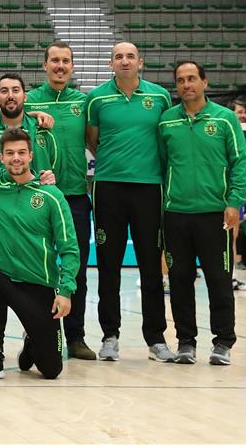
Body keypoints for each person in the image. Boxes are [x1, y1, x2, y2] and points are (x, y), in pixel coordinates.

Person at [0, 128, 79, 380]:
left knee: (51, 370)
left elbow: (69, 248)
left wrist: (65, 291)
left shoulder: (52, 195)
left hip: (37, 283)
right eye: (9, 153)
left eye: (21, 152)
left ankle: (32, 344)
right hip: (1, 275)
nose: (16, 158)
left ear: (30, 156)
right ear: (1, 158)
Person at [85, 41, 174, 362]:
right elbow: (92, 140)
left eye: (130, 56)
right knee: (108, 266)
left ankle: (156, 339)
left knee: (150, 265)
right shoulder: (97, 98)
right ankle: (110, 336)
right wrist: (115, 161)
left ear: (140, 62)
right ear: (111, 63)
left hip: (149, 188)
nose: (124, 61)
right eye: (118, 57)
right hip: (108, 187)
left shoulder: (160, 97)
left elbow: (166, 139)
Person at [156, 61, 246, 365]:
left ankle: (223, 342)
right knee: (180, 281)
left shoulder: (225, 119)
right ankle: (186, 342)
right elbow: (162, 165)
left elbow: (239, 161)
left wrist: (233, 202)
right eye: (181, 80)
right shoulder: (166, 121)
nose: (186, 85)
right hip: (176, 214)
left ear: (204, 82)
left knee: (219, 281)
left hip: (214, 215)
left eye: (192, 78)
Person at [25, 42, 95, 360]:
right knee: (37, 270)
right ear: (45, 65)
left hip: (75, 197)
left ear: (72, 67)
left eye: (66, 61)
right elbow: (7, 121)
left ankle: (76, 337)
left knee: (75, 269)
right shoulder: (30, 101)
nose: (60, 66)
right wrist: (30, 114)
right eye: (55, 60)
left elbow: (95, 143)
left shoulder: (83, 102)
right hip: (38, 198)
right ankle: (35, 336)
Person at [0, 73, 57, 173]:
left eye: (15, 90)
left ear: (25, 97)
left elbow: (54, 169)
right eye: (4, 91)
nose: (10, 96)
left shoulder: (44, 131)